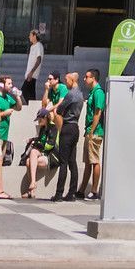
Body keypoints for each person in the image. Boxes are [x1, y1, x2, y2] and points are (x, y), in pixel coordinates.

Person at [52, 71, 85, 201]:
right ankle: (72, 193)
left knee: (63, 162)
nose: (65, 83)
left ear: (73, 80)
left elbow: (59, 110)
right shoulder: (80, 94)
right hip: (75, 127)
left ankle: (59, 193)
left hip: (67, 127)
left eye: (67, 80)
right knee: (72, 161)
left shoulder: (70, 95)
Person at [18, 94, 57, 198]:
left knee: (33, 152)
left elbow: (50, 145)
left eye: (40, 120)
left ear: (45, 118)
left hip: (50, 156)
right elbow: (40, 140)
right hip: (42, 154)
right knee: (28, 161)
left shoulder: (53, 128)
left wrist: (38, 145)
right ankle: (32, 189)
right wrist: (33, 140)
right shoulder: (42, 128)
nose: (38, 122)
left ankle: (32, 185)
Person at [83, 68, 107, 200]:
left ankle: (94, 190)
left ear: (93, 78)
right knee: (88, 161)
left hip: (95, 132)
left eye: (87, 77)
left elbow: (98, 113)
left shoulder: (98, 92)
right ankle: (82, 189)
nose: (85, 79)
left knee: (94, 161)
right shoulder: (92, 92)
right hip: (89, 130)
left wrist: (92, 130)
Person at [23, 30, 45, 103]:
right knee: (31, 92)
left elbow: (39, 59)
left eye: (30, 35)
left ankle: (32, 107)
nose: (29, 37)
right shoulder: (32, 46)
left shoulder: (38, 45)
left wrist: (31, 72)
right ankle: (33, 107)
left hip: (32, 74)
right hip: (30, 73)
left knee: (24, 90)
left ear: (34, 36)